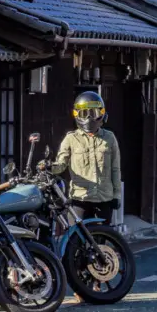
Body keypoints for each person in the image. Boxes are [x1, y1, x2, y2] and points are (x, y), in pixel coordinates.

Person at [51, 91, 122, 223]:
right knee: (76, 239)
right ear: (77, 115)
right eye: (84, 113)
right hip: (79, 199)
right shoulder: (71, 138)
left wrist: (117, 195)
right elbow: (60, 165)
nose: (89, 118)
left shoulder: (110, 138)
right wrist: (49, 167)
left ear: (101, 114)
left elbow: (115, 169)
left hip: (104, 199)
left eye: (93, 113)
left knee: (102, 239)